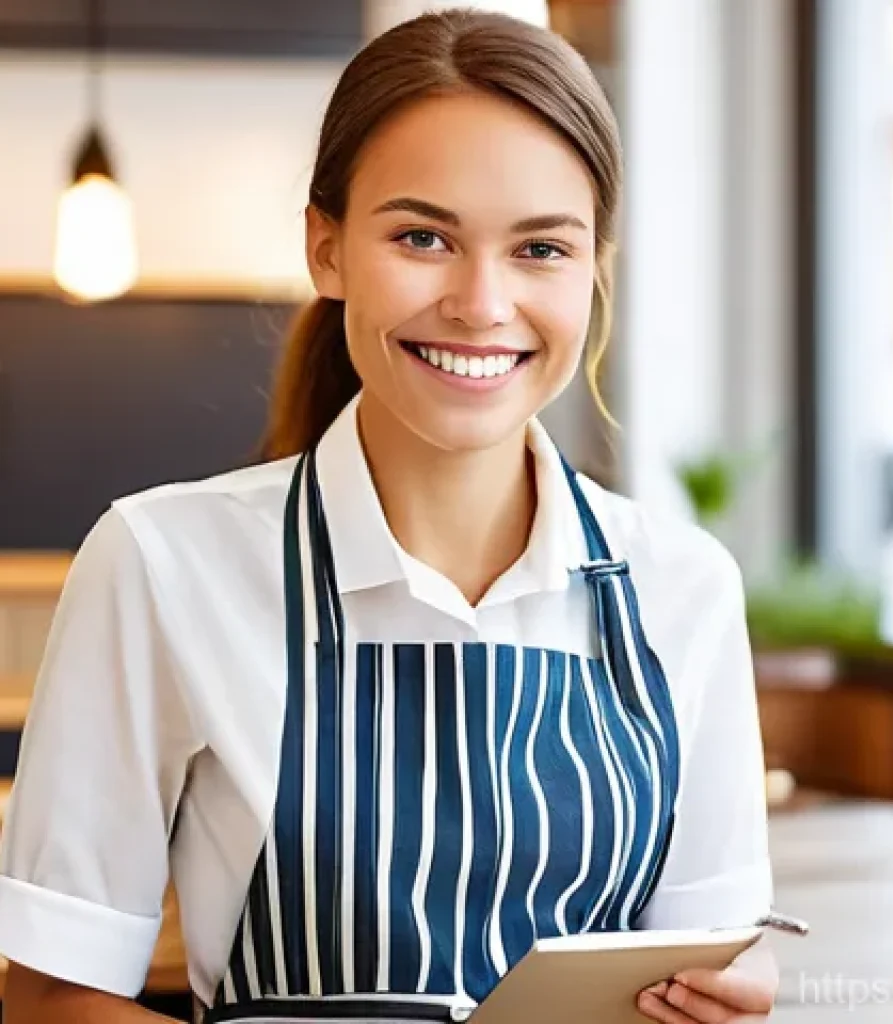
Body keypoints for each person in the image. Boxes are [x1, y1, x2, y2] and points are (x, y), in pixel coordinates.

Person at [0, 9, 778, 1023]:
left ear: (595, 271)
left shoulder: (684, 587)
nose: (480, 302)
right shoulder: (160, 563)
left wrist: (727, 997)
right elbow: (52, 997)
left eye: (540, 248)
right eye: (422, 237)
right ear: (326, 251)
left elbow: (713, 955)